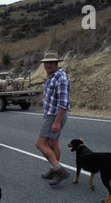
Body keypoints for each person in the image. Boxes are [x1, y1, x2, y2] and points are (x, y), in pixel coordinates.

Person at [36, 50, 71, 186]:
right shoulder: (51, 77)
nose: (48, 65)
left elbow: (63, 102)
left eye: (51, 62)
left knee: (40, 144)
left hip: (54, 116)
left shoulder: (61, 78)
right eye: (46, 62)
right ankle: (54, 170)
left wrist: (57, 121)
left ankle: (59, 170)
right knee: (53, 144)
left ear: (57, 63)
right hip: (51, 114)